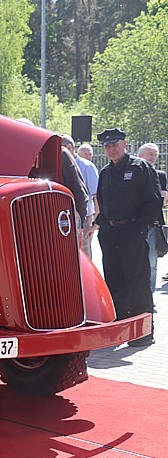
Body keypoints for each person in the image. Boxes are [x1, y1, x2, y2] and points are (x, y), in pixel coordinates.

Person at [94, 128, 162, 346]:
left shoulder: (140, 167)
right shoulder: (105, 172)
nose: (111, 149)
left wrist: (140, 228)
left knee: (138, 283)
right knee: (114, 282)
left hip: (133, 231)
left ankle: (142, 333)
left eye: (114, 144)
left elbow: (153, 200)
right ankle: (120, 328)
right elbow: (102, 204)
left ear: (124, 143)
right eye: (107, 146)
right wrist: (103, 227)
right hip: (111, 233)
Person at [16, 118, 88, 224]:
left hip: (59, 223)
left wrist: (78, 226)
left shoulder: (60, 155)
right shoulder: (12, 160)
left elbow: (79, 192)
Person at [137, 143, 167, 291]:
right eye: (150, 153)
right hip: (134, 224)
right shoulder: (133, 174)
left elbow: (163, 199)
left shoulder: (160, 176)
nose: (153, 157)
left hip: (153, 224)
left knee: (152, 263)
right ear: (140, 155)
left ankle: (150, 295)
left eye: (155, 154)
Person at [63, 135, 99, 258]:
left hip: (85, 216)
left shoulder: (87, 167)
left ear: (68, 147)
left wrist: (94, 223)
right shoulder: (60, 164)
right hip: (67, 216)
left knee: (84, 254)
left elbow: (96, 195)